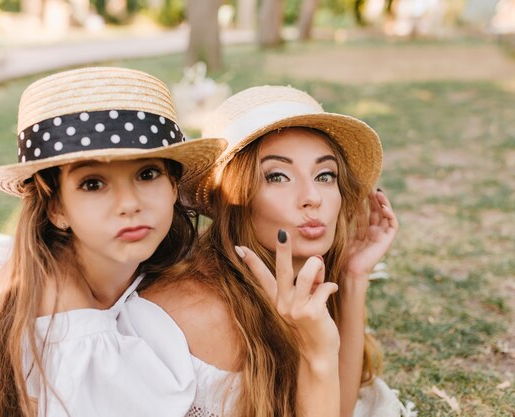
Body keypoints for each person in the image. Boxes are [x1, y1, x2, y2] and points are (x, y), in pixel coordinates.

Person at [0, 66, 226, 416]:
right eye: (93, 184)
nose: (129, 204)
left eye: (147, 173)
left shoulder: (135, 255)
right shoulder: (69, 332)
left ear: (174, 185)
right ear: (56, 208)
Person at [142, 85, 403, 417]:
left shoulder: (305, 286)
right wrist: (317, 352)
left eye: (325, 175)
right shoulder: (194, 314)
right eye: (278, 176)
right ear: (233, 197)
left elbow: (338, 408)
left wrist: (353, 277)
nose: (313, 197)